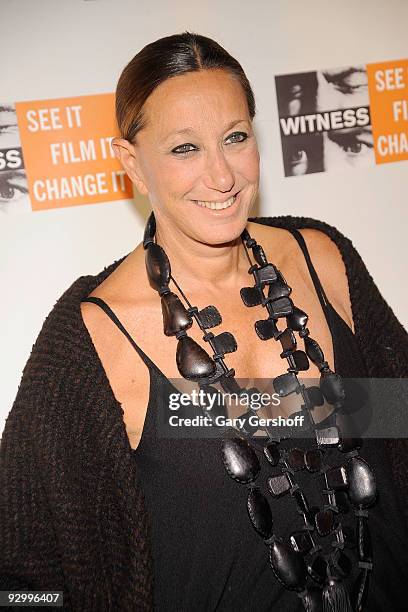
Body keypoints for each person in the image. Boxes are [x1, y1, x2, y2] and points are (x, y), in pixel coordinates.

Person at [1, 32, 408, 612]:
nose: (222, 176)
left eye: (235, 138)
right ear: (131, 165)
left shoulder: (324, 258)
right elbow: (23, 581)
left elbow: (395, 422)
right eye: (184, 149)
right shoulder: (93, 339)